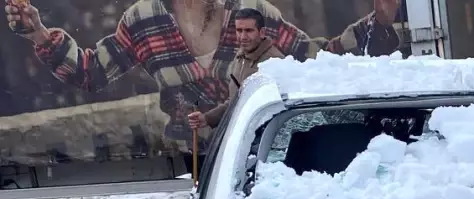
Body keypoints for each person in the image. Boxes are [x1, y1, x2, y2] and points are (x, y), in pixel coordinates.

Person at [4, 0, 408, 155]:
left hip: (256, 153)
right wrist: (38, 33)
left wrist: (377, 22)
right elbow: (90, 72)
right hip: (193, 159)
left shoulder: (253, 12)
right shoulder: (144, 20)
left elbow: (316, 58)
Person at [187, 8, 279, 130]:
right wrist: (207, 118)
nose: (243, 36)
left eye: (249, 30)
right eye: (239, 30)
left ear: (262, 32)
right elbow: (235, 101)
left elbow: (277, 109)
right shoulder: (241, 56)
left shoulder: (274, 62)